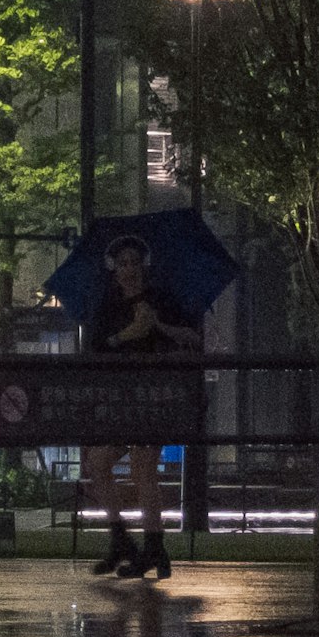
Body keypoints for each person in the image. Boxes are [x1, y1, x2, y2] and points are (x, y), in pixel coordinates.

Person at [86, 235, 202, 578]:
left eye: (134, 261)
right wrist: (128, 334)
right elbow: (97, 346)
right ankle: (121, 538)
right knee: (98, 462)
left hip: (155, 396)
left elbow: (193, 338)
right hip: (121, 398)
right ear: (114, 268)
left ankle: (153, 546)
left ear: (144, 266)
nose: (128, 269)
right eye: (122, 263)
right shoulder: (107, 305)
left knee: (142, 468)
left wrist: (157, 326)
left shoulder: (161, 300)